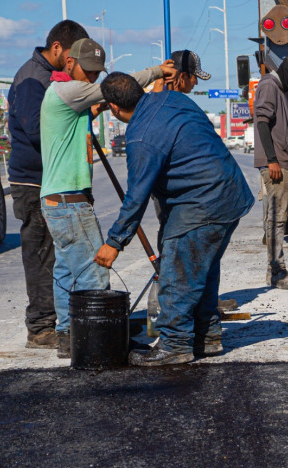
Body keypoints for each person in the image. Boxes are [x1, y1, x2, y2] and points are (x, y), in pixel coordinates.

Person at [94, 72, 254, 367]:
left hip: (201, 202)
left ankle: (175, 344)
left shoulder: (140, 136)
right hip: (231, 193)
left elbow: (137, 196)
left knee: (178, 274)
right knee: (202, 271)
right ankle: (207, 337)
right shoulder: (172, 98)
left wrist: (114, 242)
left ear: (113, 108)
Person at [40, 38, 175, 357]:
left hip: (57, 200)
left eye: (96, 72)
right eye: (88, 71)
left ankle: (67, 334)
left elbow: (101, 100)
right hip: (69, 201)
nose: (92, 78)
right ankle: (101, 340)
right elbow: (120, 88)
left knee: (66, 269)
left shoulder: (63, 94)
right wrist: (157, 71)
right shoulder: (68, 91)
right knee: (93, 270)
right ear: (69, 62)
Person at [7, 20, 89, 351]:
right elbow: (38, 130)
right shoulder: (32, 78)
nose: (73, 63)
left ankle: (62, 319)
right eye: (71, 56)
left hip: (51, 179)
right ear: (57, 48)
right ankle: (40, 327)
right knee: (42, 254)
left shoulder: (50, 77)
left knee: (60, 254)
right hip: (33, 181)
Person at [253, 53, 288, 290]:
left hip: (283, 162)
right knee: (276, 220)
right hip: (275, 164)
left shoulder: (279, 89)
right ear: (287, 70)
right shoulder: (269, 85)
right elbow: (262, 122)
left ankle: (278, 270)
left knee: (279, 219)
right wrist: (272, 159)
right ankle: (277, 273)